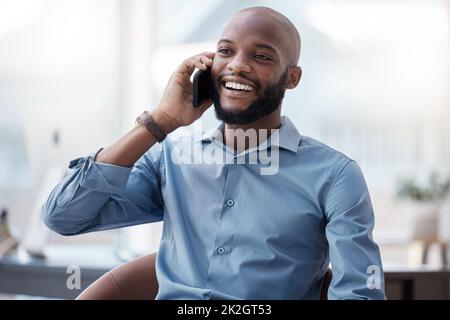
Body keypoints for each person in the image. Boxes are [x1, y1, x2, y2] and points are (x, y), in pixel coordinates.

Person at [42, 6, 385, 300]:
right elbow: (64, 216)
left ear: (291, 78)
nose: (238, 65)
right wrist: (159, 121)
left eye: (261, 56)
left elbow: (361, 290)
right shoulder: (171, 159)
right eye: (225, 51)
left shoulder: (335, 175)